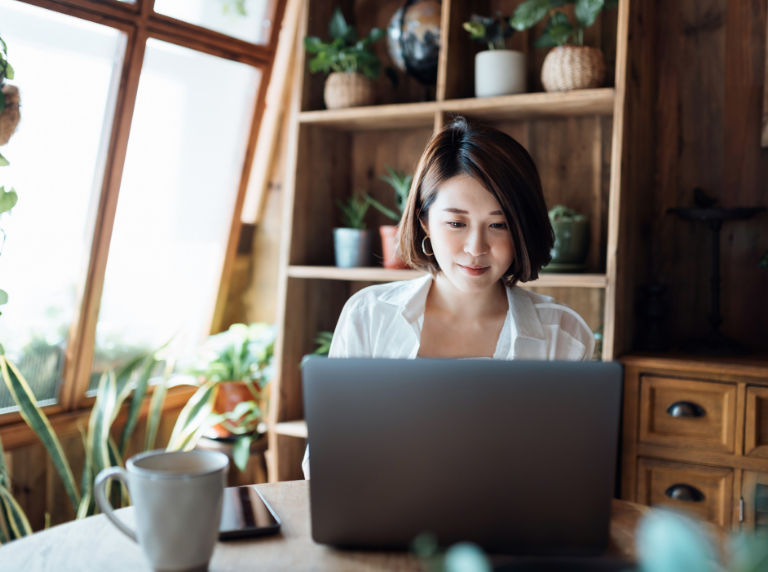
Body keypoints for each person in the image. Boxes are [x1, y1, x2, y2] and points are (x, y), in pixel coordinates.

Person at [303, 116, 594, 477]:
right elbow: (324, 462)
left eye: (499, 224)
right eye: (456, 223)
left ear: (523, 227)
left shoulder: (563, 335)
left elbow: (571, 475)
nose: (476, 248)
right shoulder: (369, 314)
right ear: (424, 221)